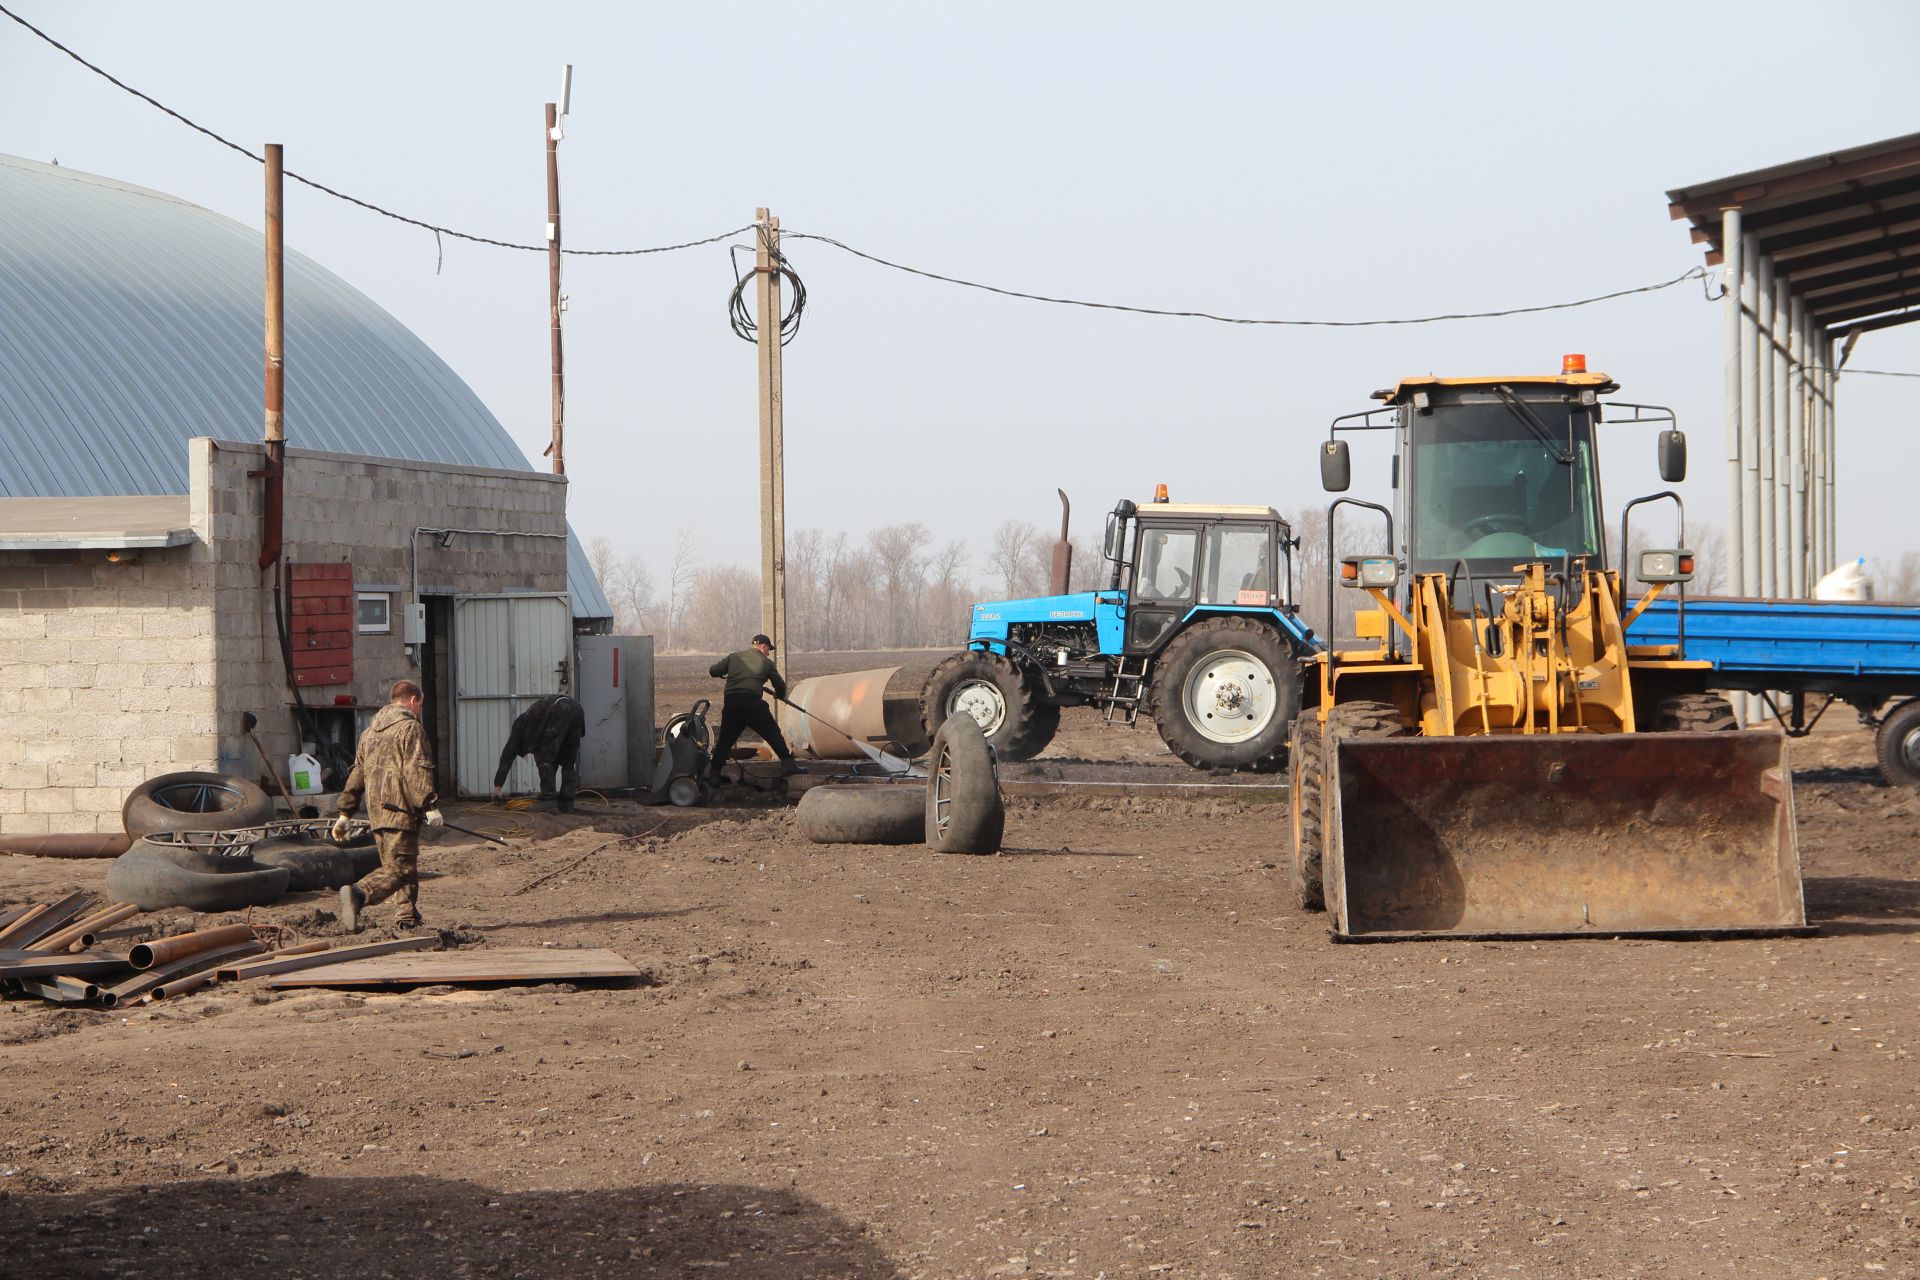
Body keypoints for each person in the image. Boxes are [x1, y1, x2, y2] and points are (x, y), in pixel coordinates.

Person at [333, 679, 442, 932]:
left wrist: (344, 813)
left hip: (377, 814)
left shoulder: (369, 733)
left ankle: (406, 917)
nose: (419, 711)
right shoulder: (409, 729)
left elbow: (357, 774)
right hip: (400, 811)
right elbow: (417, 769)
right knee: (402, 868)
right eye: (420, 705)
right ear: (413, 701)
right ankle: (359, 894)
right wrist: (429, 805)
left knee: (398, 865)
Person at [707, 633, 805, 785]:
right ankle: (788, 765)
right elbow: (779, 685)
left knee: (725, 740)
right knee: (773, 733)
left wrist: (726, 672)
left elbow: (713, 671)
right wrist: (779, 696)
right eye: (768, 650)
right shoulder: (766, 663)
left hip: (732, 703)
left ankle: (714, 775)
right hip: (752, 703)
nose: (768, 653)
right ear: (763, 647)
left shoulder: (734, 657)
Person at [490, 693, 587, 813]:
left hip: (560, 708)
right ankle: (567, 802)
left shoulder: (520, 724)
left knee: (544, 758)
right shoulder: (534, 720)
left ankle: (548, 800)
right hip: (577, 709)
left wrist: (497, 786)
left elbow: (508, 752)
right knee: (568, 761)